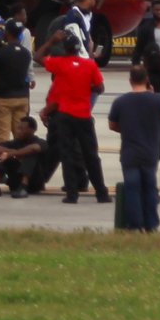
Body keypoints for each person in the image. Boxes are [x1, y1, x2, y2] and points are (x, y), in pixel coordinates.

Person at [41, 27, 109, 204]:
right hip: (83, 115)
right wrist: (87, 87)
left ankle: (72, 194)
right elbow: (100, 88)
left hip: (65, 115)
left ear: (65, 49)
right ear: (79, 49)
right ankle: (101, 192)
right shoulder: (89, 65)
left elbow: (37, 57)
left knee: (67, 154)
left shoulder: (60, 64)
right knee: (91, 155)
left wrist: (51, 41)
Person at [108, 62, 160, 232]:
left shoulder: (121, 102)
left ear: (130, 81)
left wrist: (126, 127)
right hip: (150, 151)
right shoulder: (158, 100)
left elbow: (112, 125)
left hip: (129, 151)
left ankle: (134, 224)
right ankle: (151, 223)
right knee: (150, 187)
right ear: (147, 79)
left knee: (132, 188)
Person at [0, 19, 34, 144]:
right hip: (22, 97)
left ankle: (3, 162)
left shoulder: (1, 53)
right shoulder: (26, 53)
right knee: (20, 136)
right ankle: (21, 160)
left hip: (3, 98)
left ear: (6, 33)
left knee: (2, 137)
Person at [0, 114, 53, 199]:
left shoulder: (40, 142)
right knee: (1, 154)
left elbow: (34, 148)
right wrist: (10, 153)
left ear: (32, 130)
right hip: (15, 183)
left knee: (30, 155)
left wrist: (12, 154)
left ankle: (24, 186)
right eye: (18, 128)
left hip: (34, 183)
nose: (18, 131)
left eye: (22, 129)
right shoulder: (16, 142)